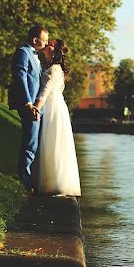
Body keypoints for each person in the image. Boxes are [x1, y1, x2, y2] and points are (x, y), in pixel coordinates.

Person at [32, 39, 81, 197]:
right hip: (57, 107)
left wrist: (36, 109)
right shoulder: (53, 68)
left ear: (55, 51)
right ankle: (50, 181)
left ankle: (54, 183)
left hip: (53, 108)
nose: (46, 45)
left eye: (50, 44)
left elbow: (44, 92)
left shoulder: (54, 69)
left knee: (52, 143)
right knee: (52, 143)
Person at [8, 24, 48, 194]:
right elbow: (20, 78)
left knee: (36, 143)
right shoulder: (23, 53)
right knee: (30, 143)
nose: (46, 44)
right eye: (44, 40)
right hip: (29, 106)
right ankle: (25, 181)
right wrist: (28, 103)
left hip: (37, 107)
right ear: (35, 40)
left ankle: (31, 179)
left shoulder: (35, 56)